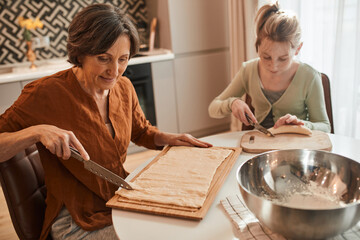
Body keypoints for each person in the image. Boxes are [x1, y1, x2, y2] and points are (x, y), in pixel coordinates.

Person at [0, 4, 212, 240]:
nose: (115, 71)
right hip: (76, 221)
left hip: (119, 200)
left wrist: (170, 138)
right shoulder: (45, 93)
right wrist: (37, 131)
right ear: (80, 53)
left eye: (123, 59)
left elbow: (141, 131)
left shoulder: (124, 87)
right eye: (104, 58)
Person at [208, 1, 331, 132]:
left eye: (283, 59)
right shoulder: (248, 70)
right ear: (257, 46)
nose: (273, 66)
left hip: (296, 147)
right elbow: (213, 109)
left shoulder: (309, 76)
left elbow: (325, 126)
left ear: (298, 49)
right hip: (259, 145)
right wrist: (232, 103)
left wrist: (301, 124)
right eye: (266, 57)